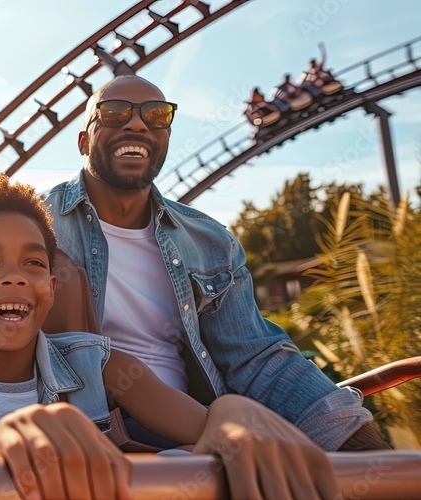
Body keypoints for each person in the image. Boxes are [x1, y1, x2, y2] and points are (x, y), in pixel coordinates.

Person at [0, 175, 341, 500]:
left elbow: (202, 427)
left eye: (33, 264)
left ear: (52, 288)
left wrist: (232, 412)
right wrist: (19, 455)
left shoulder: (96, 362)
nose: (15, 278)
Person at [45, 74, 389, 452]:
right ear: (83, 141)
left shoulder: (209, 241)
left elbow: (255, 357)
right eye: (113, 113)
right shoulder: (34, 225)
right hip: (83, 435)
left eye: (157, 115)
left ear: (166, 138)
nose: (137, 123)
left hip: (197, 431)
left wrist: (357, 443)